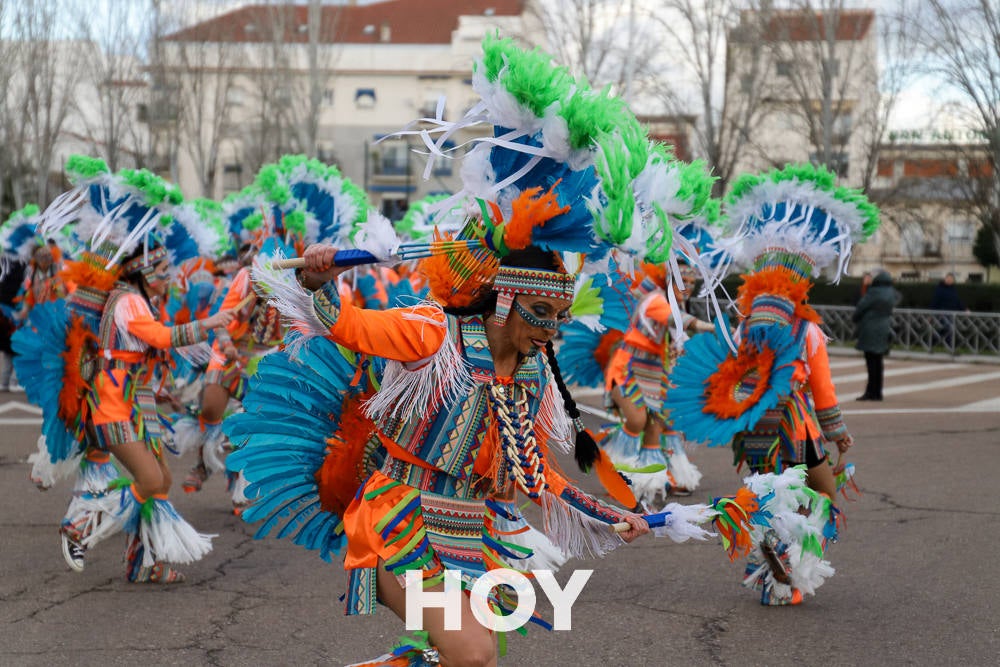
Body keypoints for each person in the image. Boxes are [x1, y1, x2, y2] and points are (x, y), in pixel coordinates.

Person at [853, 270, 900, 401]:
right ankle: (878, 392)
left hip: (870, 328)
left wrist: (855, 318)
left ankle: (870, 392)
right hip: (884, 327)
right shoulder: (891, 293)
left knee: (870, 362)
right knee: (878, 362)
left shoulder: (874, 292)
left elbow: (861, 307)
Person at [930, 272, 968, 349]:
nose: (949, 280)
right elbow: (935, 301)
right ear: (945, 279)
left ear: (953, 280)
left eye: (951, 279)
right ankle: (951, 348)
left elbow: (957, 301)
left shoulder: (953, 290)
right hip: (942, 314)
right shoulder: (940, 289)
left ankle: (931, 345)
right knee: (950, 330)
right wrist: (931, 314)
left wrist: (965, 309)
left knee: (941, 331)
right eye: (948, 278)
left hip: (951, 314)